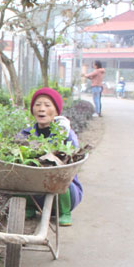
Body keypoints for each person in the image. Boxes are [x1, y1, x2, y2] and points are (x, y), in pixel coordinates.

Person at [20, 87, 83, 226]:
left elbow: (74, 153)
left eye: (47, 105)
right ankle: (29, 206)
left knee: (60, 175)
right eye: (37, 105)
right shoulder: (26, 134)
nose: (41, 109)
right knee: (15, 173)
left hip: (64, 192)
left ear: (56, 111)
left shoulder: (65, 132)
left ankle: (65, 212)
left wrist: (62, 138)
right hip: (35, 191)